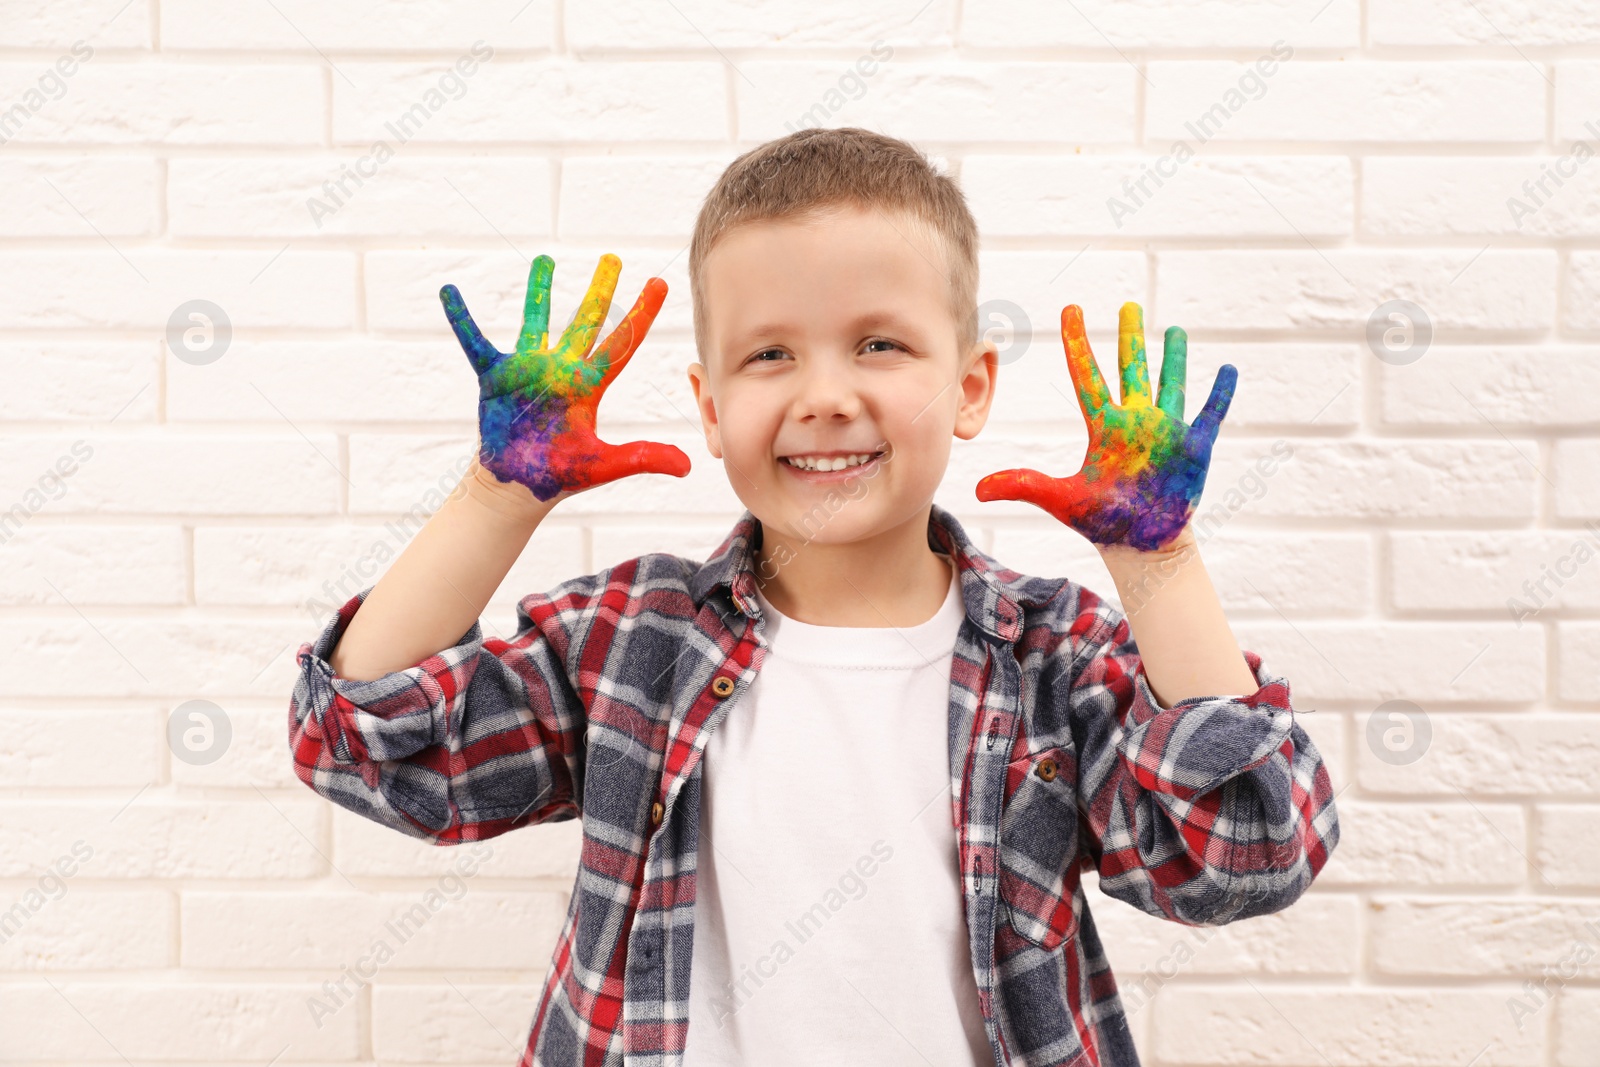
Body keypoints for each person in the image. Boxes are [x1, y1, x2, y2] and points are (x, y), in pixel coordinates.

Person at [287, 126, 1339, 1067]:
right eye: (769, 354)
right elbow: (358, 741)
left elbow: (1247, 852)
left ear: (969, 385)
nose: (825, 394)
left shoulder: (1052, 656)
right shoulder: (632, 639)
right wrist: (497, 495)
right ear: (707, 403)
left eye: (878, 344)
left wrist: (1157, 564)